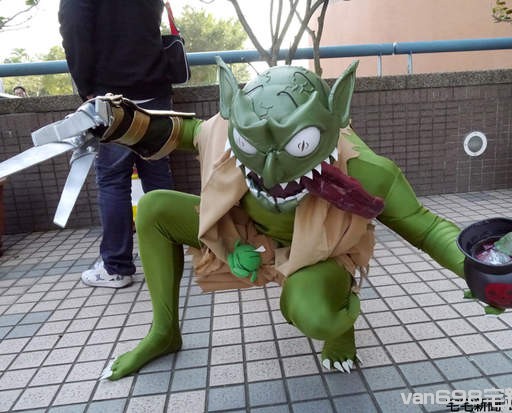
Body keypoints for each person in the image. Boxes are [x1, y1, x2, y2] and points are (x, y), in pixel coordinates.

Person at [81, 60, 470, 380]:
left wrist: (483, 269)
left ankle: (340, 320)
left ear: (336, 115)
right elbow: (177, 131)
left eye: (299, 144)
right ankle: (164, 332)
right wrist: (114, 120)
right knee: (154, 208)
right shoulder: (228, 132)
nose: (271, 169)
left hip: (318, 253)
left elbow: (427, 227)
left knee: (318, 317)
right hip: (251, 236)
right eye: (253, 143)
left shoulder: (364, 169)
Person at [58, 0, 174, 288]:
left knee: (113, 180)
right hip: (155, 88)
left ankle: (117, 267)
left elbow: (74, 29)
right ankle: (171, 254)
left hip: (111, 95)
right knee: (158, 173)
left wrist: (86, 88)